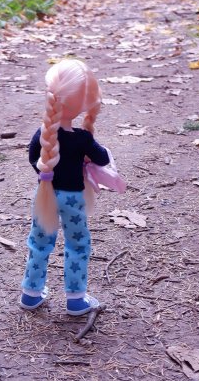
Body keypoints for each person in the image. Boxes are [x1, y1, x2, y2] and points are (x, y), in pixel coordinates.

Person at [20, 56, 123, 315]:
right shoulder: (82, 139)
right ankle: (76, 298)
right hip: (74, 198)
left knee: (39, 242)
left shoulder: (42, 134)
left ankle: (31, 293)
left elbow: (35, 158)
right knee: (77, 244)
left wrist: (45, 173)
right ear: (82, 104)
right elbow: (103, 158)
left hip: (45, 194)